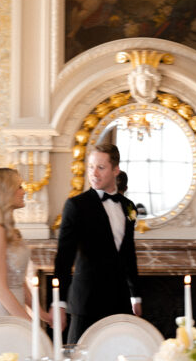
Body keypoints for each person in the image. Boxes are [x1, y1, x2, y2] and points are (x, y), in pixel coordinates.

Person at [54, 143, 142, 343]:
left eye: (101, 167)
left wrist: (135, 296)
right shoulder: (76, 205)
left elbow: (128, 254)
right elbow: (64, 257)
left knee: (118, 358)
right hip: (85, 302)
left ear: (115, 170)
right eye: (91, 166)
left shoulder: (128, 207)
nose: (94, 173)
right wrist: (59, 302)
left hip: (119, 301)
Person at [0, 168, 52, 324]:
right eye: (19, 186)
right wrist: (28, 325)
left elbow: (19, 280)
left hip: (17, 310)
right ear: (6, 191)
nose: (24, 191)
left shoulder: (12, 231)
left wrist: (42, 314)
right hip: (2, 312)